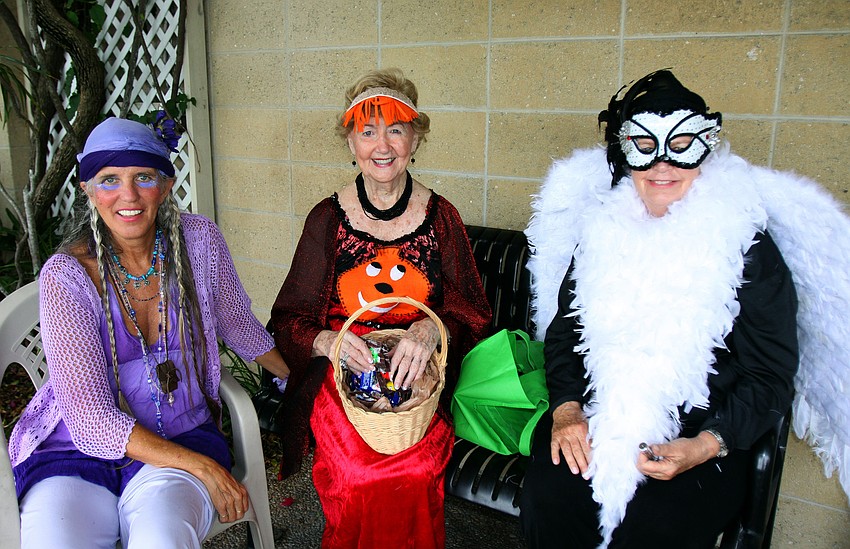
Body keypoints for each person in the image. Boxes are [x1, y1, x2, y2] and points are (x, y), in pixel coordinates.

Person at [520, 70, 800, 548]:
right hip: (598, 416)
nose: (662, 165)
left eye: (683, 143)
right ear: (625, 154)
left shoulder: (747, 248)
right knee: (550, 502)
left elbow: (770, 375)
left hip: (702, 435)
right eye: (646, 147)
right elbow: (565, 335)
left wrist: (703, 446)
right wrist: (567, 410)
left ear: (705, 149)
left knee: (650, 531)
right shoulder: (598, 234)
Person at [7, 117, 291, 548]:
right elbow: (89, 421)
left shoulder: (199, 241)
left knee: (162, 538)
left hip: (181, 434)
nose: (128, 195)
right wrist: (205, 468)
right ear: (86, 189)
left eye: (144, 176)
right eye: (109, 180)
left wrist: (297, 379)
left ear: (167, 182)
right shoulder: (65, 277)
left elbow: (237, 323)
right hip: (74, 452)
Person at [270, 68, 491, 548]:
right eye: (367, 131)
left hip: (418, 381)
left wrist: (429, 334)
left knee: (413, 472)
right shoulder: (328, 218)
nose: (382, 144)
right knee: (357, 475)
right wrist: (328, 341)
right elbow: (287, 320)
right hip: (343, 378)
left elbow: (472, 309)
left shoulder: (441, 217)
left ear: (416, 137)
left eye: (396, 128)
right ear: (351, 143)